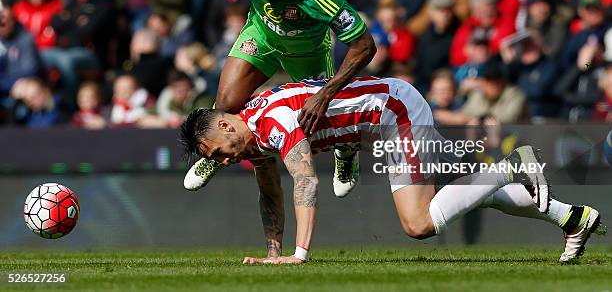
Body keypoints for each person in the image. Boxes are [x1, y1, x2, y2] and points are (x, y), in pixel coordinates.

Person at [180, 76, 603, 264]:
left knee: (418, 223)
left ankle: (511, 165)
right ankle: (572, 218)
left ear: (222, 125)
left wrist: (298, 255)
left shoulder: (271, 123)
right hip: (385, 113)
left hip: (393, 113)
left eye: (214, 152)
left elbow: (306, 180)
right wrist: (272, 251)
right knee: (465, 191)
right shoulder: (253, 131)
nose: (221, 160)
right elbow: (270, 193)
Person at [88, 0, 376, 192]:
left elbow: (364, 45)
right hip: (261, 36)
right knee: (225, 105)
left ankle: (347, 150)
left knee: (324, 119)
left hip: (308, 51)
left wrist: (326, 94)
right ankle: (215, 153)